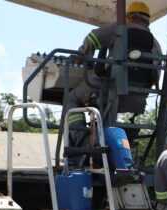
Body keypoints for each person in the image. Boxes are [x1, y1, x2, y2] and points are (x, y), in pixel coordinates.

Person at [67, 1, 161, 162]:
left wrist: (82, 54)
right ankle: (105, 142)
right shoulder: (155, 44)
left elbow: (92, 38)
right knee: (101, 105)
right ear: (147, 20)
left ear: (129, 17)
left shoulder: (119, 30)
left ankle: (82, 140)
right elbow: (156, 75)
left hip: (111, 91)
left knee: (72, 98)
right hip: (137, 100)